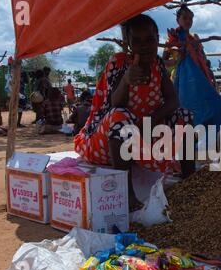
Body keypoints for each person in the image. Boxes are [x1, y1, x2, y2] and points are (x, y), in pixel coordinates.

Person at [74, 14, 195, 211]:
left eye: (150, 40)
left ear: (158, 40)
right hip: (109, 141)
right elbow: (113, 103)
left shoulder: (157, 64)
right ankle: (127, 195)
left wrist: (152, 120)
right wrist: (126, 80)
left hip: (146, 134)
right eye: (137, 41)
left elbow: (173, 100)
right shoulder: (119, 63)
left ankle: (190, 181)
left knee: (184, 116)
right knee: (120, 117)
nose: (144, 46)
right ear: (129, 43)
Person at [162, 5, 221, 155]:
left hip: (201, 81)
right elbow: (163, 63)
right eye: (185, 18)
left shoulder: (195, 39)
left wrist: (208, 68)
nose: (188, 21)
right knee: (190, 113)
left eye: (190, 18)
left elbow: (204, 60)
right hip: (185, 83)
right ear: (177, 19)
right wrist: (177, 61)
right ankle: (194, 147)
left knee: (214, 109)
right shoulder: (173, 38)